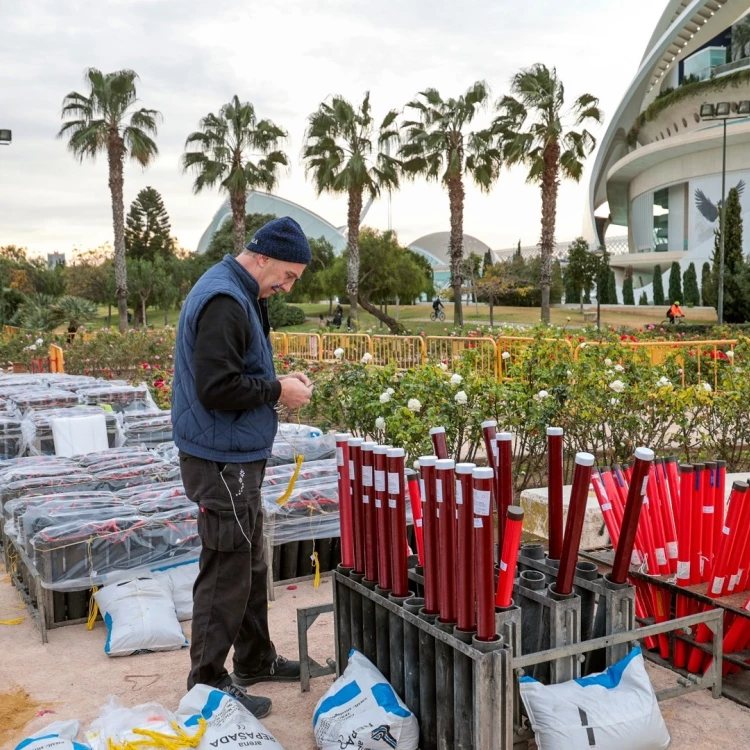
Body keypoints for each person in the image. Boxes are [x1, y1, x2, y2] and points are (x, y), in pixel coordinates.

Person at [172, 217, 314, 720]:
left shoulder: (240, 292)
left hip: (233, 453)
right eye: (289, 275)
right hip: (220, 457)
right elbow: (217, 388)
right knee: (225, 568)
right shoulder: (225, 300)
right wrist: (278, 391)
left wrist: (275, 381)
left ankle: (255, 657)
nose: (287, 285)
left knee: (249, 560)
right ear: (262, 257)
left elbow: (236, 371)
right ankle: (207, 683)